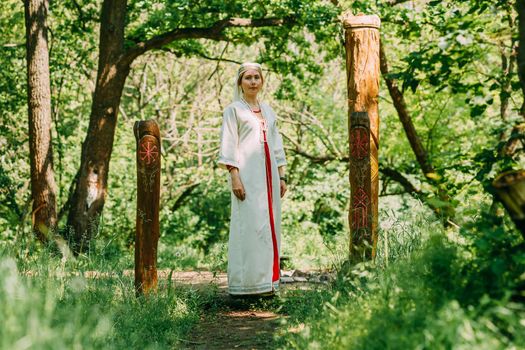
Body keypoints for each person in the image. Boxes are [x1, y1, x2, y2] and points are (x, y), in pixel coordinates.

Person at [218, 62, 287, 296]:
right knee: (248, 226)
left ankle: (267, 282)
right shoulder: (234, 110)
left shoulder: (268, 111)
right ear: (240, 82)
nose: (253, 81)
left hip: (269, 178)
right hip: (247, 177)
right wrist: (234, 176)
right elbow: (228, 144)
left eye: (257, 77)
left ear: (262, 81)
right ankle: (246, 285)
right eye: (248, 77)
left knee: (270, 225)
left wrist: (282, 175)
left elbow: (277, 144)